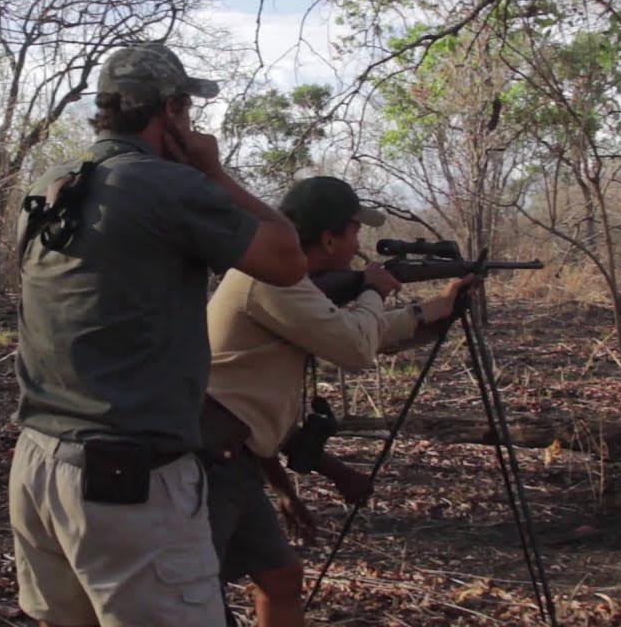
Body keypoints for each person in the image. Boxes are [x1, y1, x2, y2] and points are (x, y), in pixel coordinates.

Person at [8, 43, 307, 626]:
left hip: (38, 464)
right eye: (187, 111)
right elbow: (288, 258)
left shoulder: (51, 186)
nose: (192, 124)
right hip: (128, 486)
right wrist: (213, 171)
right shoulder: (168, 187)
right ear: (169, 111)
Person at [203, 176, 477, 626]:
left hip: (239, 460)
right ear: (329, 238)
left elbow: (350, 331)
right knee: (192, 596)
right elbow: (353, 347)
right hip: (211, 463)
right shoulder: (272, 280)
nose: (358, 242)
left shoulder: (289, 279)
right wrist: (372, 289)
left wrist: (432, 310)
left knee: (281, 579)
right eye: (353, 232)